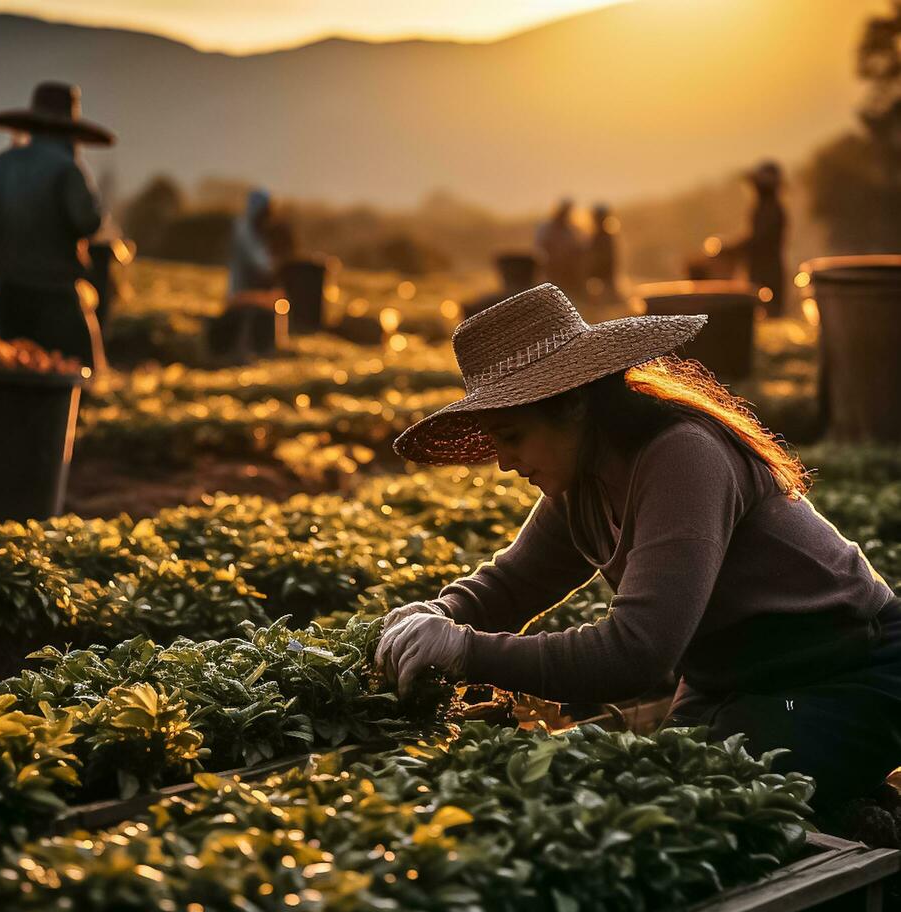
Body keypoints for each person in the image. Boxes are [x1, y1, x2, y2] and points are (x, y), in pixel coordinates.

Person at [377, 283, 900, 813]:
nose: (504, 462)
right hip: (733, 680)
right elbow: (513, 583)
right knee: (654, 789)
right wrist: (437, 613)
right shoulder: (581, 480)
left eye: (511, 437)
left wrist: (467, 652)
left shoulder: (682, 456)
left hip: (846, 671)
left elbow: (637, 652)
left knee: (701, 806)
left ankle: (865, 810)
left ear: (574, 405)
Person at [0, 81, 113, 369]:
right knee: (74, 369)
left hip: (11, 288)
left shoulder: (4, 162)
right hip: (56, 291)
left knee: (13, 366)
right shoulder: (68, 168)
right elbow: (86, 222)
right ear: (69, 131)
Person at [721, 160, 786, 316]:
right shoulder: (765, 207)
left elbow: (758, 240)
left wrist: (729, 249)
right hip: (762, 268)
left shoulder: (771, 209)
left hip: (767, 270)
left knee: (767, 313)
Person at [534, 198, 587, 301]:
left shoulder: (573, 230)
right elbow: (541, 249)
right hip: (554, 271)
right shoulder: (547, 229)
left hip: (571, 273)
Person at [229, 188, 275, 296]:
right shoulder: (243, 230)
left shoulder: (258, 230)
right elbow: (258, 264)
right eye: (266, 211)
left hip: (255, 295)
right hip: (242, 297)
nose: (268, 216)